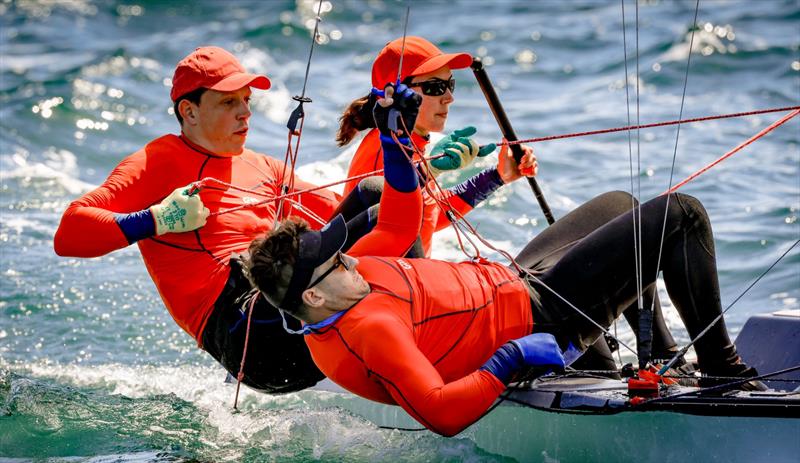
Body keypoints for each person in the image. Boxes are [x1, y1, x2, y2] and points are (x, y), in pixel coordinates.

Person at [246, 83, 764, 436]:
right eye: (338, 263)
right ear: (312, 296)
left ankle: (653, 363)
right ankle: (724, 370)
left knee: (622, 208)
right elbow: (440, 413)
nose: (353, 260)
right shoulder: (368, 330)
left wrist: (392, 136)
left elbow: (400, 218)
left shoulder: (341, 281)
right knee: (682, 215)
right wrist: (510, 361)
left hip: (517, 281)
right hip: (540, 318)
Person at [337, 36, 683, 371]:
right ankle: (650, 360)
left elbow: (429, 217)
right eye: (435, 88)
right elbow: (396, 231)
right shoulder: (384, 152)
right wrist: (427, 174)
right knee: (620, 242)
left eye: (451, 85)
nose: (448, 99)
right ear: (394, 95)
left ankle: (657, 357)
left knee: (622, 220)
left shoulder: (412, 144)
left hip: (441, 298)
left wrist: (496, 177)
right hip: (421, 319)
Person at [53, 46, 374, 393]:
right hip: (248, 337)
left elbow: (347, 213)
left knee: (377, 195)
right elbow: (70, 233)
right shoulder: (158, 162)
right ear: (189, 111)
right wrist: (157, 219)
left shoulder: (260, 165)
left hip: (290, 301)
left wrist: (414, 159)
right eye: (228, 102)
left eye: (247, 100)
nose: (245, 113)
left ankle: (412, 326)